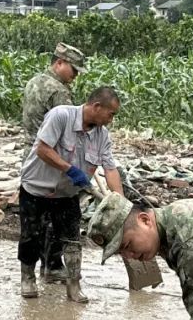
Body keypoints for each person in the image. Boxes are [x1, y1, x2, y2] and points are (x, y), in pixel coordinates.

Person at [19, 86, 124, 303]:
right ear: (97, 107)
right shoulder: (61, 116)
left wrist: (120, 202)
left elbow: (110, 169)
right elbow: (43, 150)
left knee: (72, 240)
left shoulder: (102, 136)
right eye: (111, 114)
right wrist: (70, 169)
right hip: (37, 188)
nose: (111, 120)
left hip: (67, 194)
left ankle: (74, 285)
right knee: (31, 236)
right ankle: (27, 278)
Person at [21, 42, 87, 283]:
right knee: (58, 213)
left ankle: (36, 269)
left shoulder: (34, 81)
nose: (76, 75)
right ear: (59, 63)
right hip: (50, 157)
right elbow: (66, 129)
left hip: (30, 155)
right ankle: (52, 265)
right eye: (74, 69)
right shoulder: (59, 91)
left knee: (35, 218)